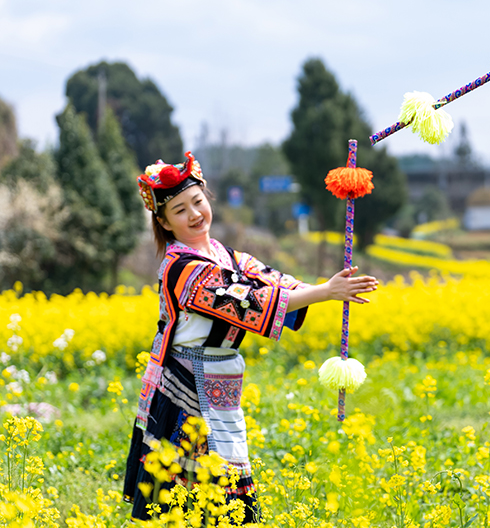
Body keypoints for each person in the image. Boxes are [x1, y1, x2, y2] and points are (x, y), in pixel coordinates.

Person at [123, 152, 378, 523]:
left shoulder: (226, 255)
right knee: (191, 490)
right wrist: (324, 291)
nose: (194, 214)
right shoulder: (181, 268)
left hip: (221, 378)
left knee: (222, 477)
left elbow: (273, 282)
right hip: (187, 386)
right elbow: (248, 301)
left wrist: (330, 287)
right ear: (163, 222)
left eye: (197, 201)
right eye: (180, 210)